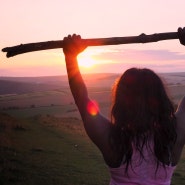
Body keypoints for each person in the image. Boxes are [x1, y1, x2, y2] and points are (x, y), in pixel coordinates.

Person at [62, 28, 185, 185]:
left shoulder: (111, 138)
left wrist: (71, 57)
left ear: (121, 101)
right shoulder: (175, 135)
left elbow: (81, 99)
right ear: (160, 99)